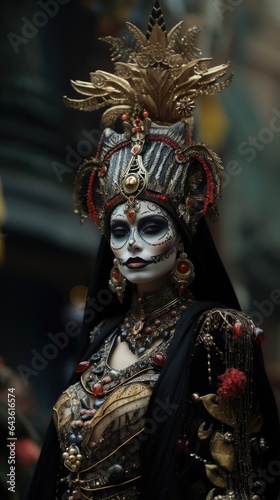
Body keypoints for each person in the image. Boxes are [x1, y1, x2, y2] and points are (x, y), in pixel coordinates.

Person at [24, 2, 280, 499]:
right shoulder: (102, 338)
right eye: (119, 231)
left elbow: (236, 484)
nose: (132, 245)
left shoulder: (215, 335)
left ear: (184, 234)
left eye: (151, 226)